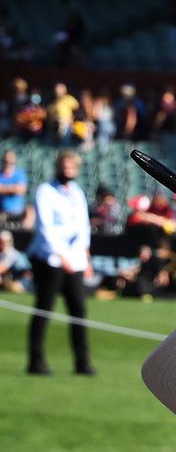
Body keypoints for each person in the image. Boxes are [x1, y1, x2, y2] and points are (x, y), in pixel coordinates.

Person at [26, 150, 94, 376]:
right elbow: (45, 228)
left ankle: (82, 362)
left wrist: (84, 256)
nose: (68, 172)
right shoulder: (46, 191)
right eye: (65, 168)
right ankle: (36, 361)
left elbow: (83, 227)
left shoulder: (77, 193)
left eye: (72, 168)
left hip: (74, 261)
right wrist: (61, 255)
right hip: (50, 260)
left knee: (78, 310)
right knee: (44, 308)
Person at [0, 150, 28, 226]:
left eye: (10, 161)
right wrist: (13, 188)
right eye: (6, 161)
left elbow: (21, 190)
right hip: (2, 213)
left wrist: (4, 188)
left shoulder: (20, 174)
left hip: (17, 214)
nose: (8, 164)